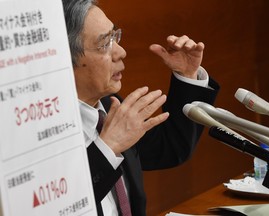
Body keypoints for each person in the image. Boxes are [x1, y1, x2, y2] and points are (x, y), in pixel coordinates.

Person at [62, 0, 220, 215]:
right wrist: (107, 148)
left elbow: (169, 148)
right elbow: (60, 204)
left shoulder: (110, 106)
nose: (121, 52)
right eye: (104, 44)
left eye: (114, 37)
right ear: (62, 58)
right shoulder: (44, 131)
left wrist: (187, 76)